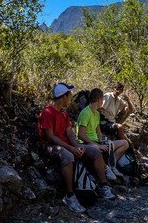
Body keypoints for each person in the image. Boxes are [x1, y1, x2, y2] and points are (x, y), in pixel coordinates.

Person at [37, 83, 114, 212]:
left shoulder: (64, 114)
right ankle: (69, 196)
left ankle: (103, 186)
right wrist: (71, 148)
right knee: (68, 156)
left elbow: (70, 134)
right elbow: (50, 137)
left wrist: (77, 146)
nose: (71, 98)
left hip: (66, 145)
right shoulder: (47, 112)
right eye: (69, 95)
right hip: (51, 146)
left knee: (95, 151)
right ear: (63, 97)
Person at [75, 88, 129, 184]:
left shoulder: (97, 114)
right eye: (102, 100)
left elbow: (99, 134)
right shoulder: (85, 113)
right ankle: (106, 169)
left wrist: (106, 141)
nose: (103, 102)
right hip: (87, 143)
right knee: (98, 150)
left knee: (124, 143)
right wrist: (98, 145)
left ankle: (112, 165)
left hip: (97, 141)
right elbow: (80, 135)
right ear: (99, 99)